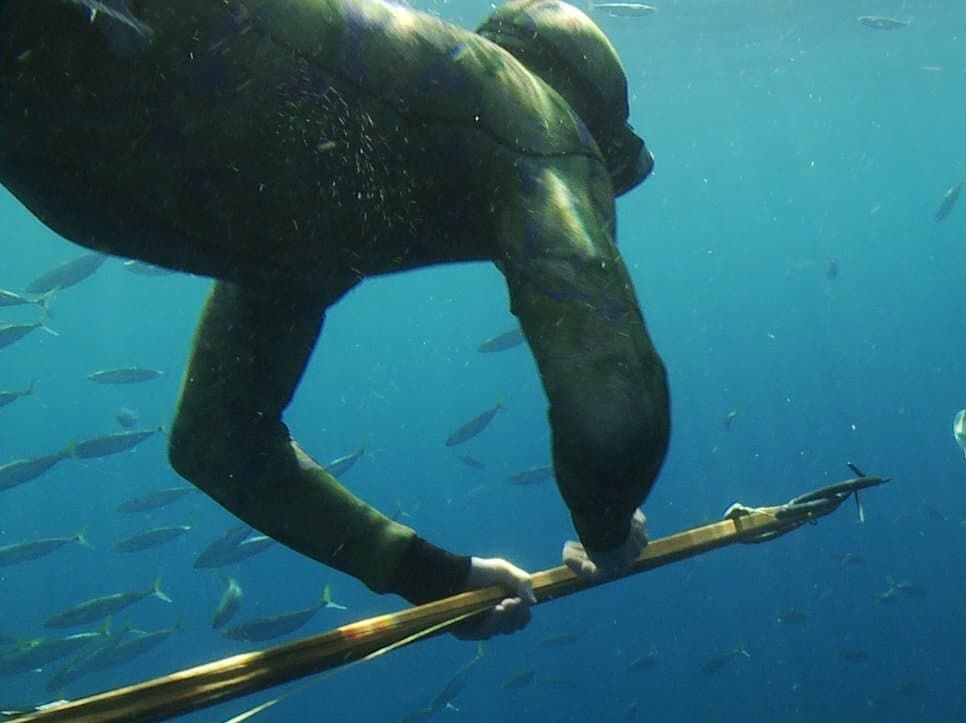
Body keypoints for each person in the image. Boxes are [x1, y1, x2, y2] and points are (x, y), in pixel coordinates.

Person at [0, 0, 669, 638]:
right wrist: (607, 527)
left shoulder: (327, 207)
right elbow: (610, 404)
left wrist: (434, 577)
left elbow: (221, 444)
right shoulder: (539, 122)